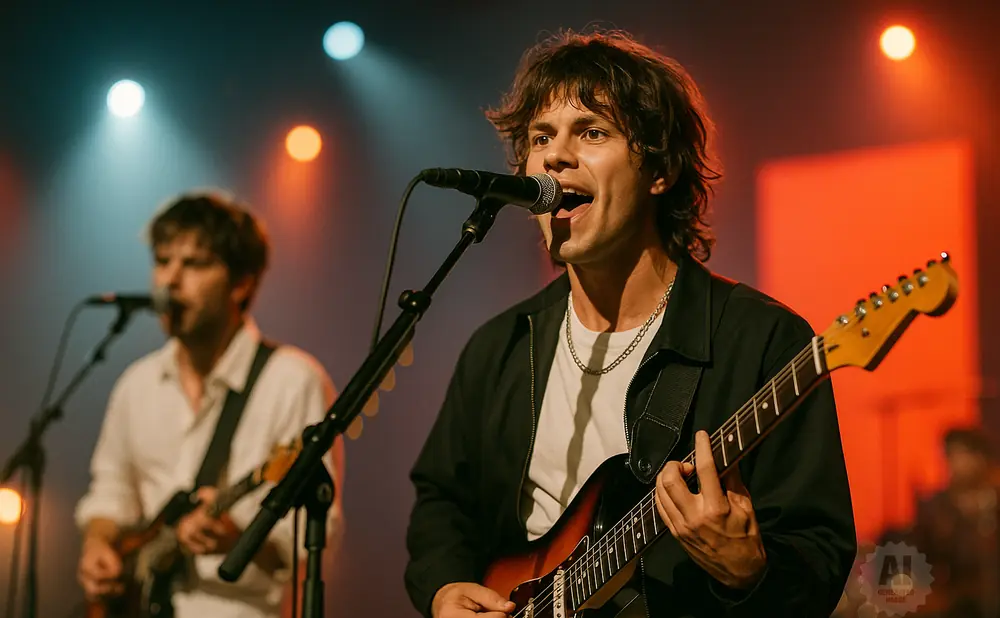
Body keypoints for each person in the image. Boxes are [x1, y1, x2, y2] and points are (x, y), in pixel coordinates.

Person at [404, 29, 857, 618]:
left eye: (591, 132)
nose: (555, 156)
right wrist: (443, 588)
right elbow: (442, 500)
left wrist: (749, 572)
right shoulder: (502, 346)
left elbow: (818, 559)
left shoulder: (762, 340)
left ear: (659, 170)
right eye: (542, 137)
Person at [74, 191, 346, 618]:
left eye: (194, 264)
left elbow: (312, 542)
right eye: (163, 262)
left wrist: (238, 539)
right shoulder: (137, 384)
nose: (169, 281)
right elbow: (111, 491)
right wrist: (97, 544)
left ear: (242, 283)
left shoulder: (292, 381)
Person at [907, 427, 1000, 617]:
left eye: (964, 453)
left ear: (981, 457)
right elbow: (920, 559)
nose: (957, 462)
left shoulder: (995, 502)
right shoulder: (935, 508)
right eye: (951, 454)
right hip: (954, 605)